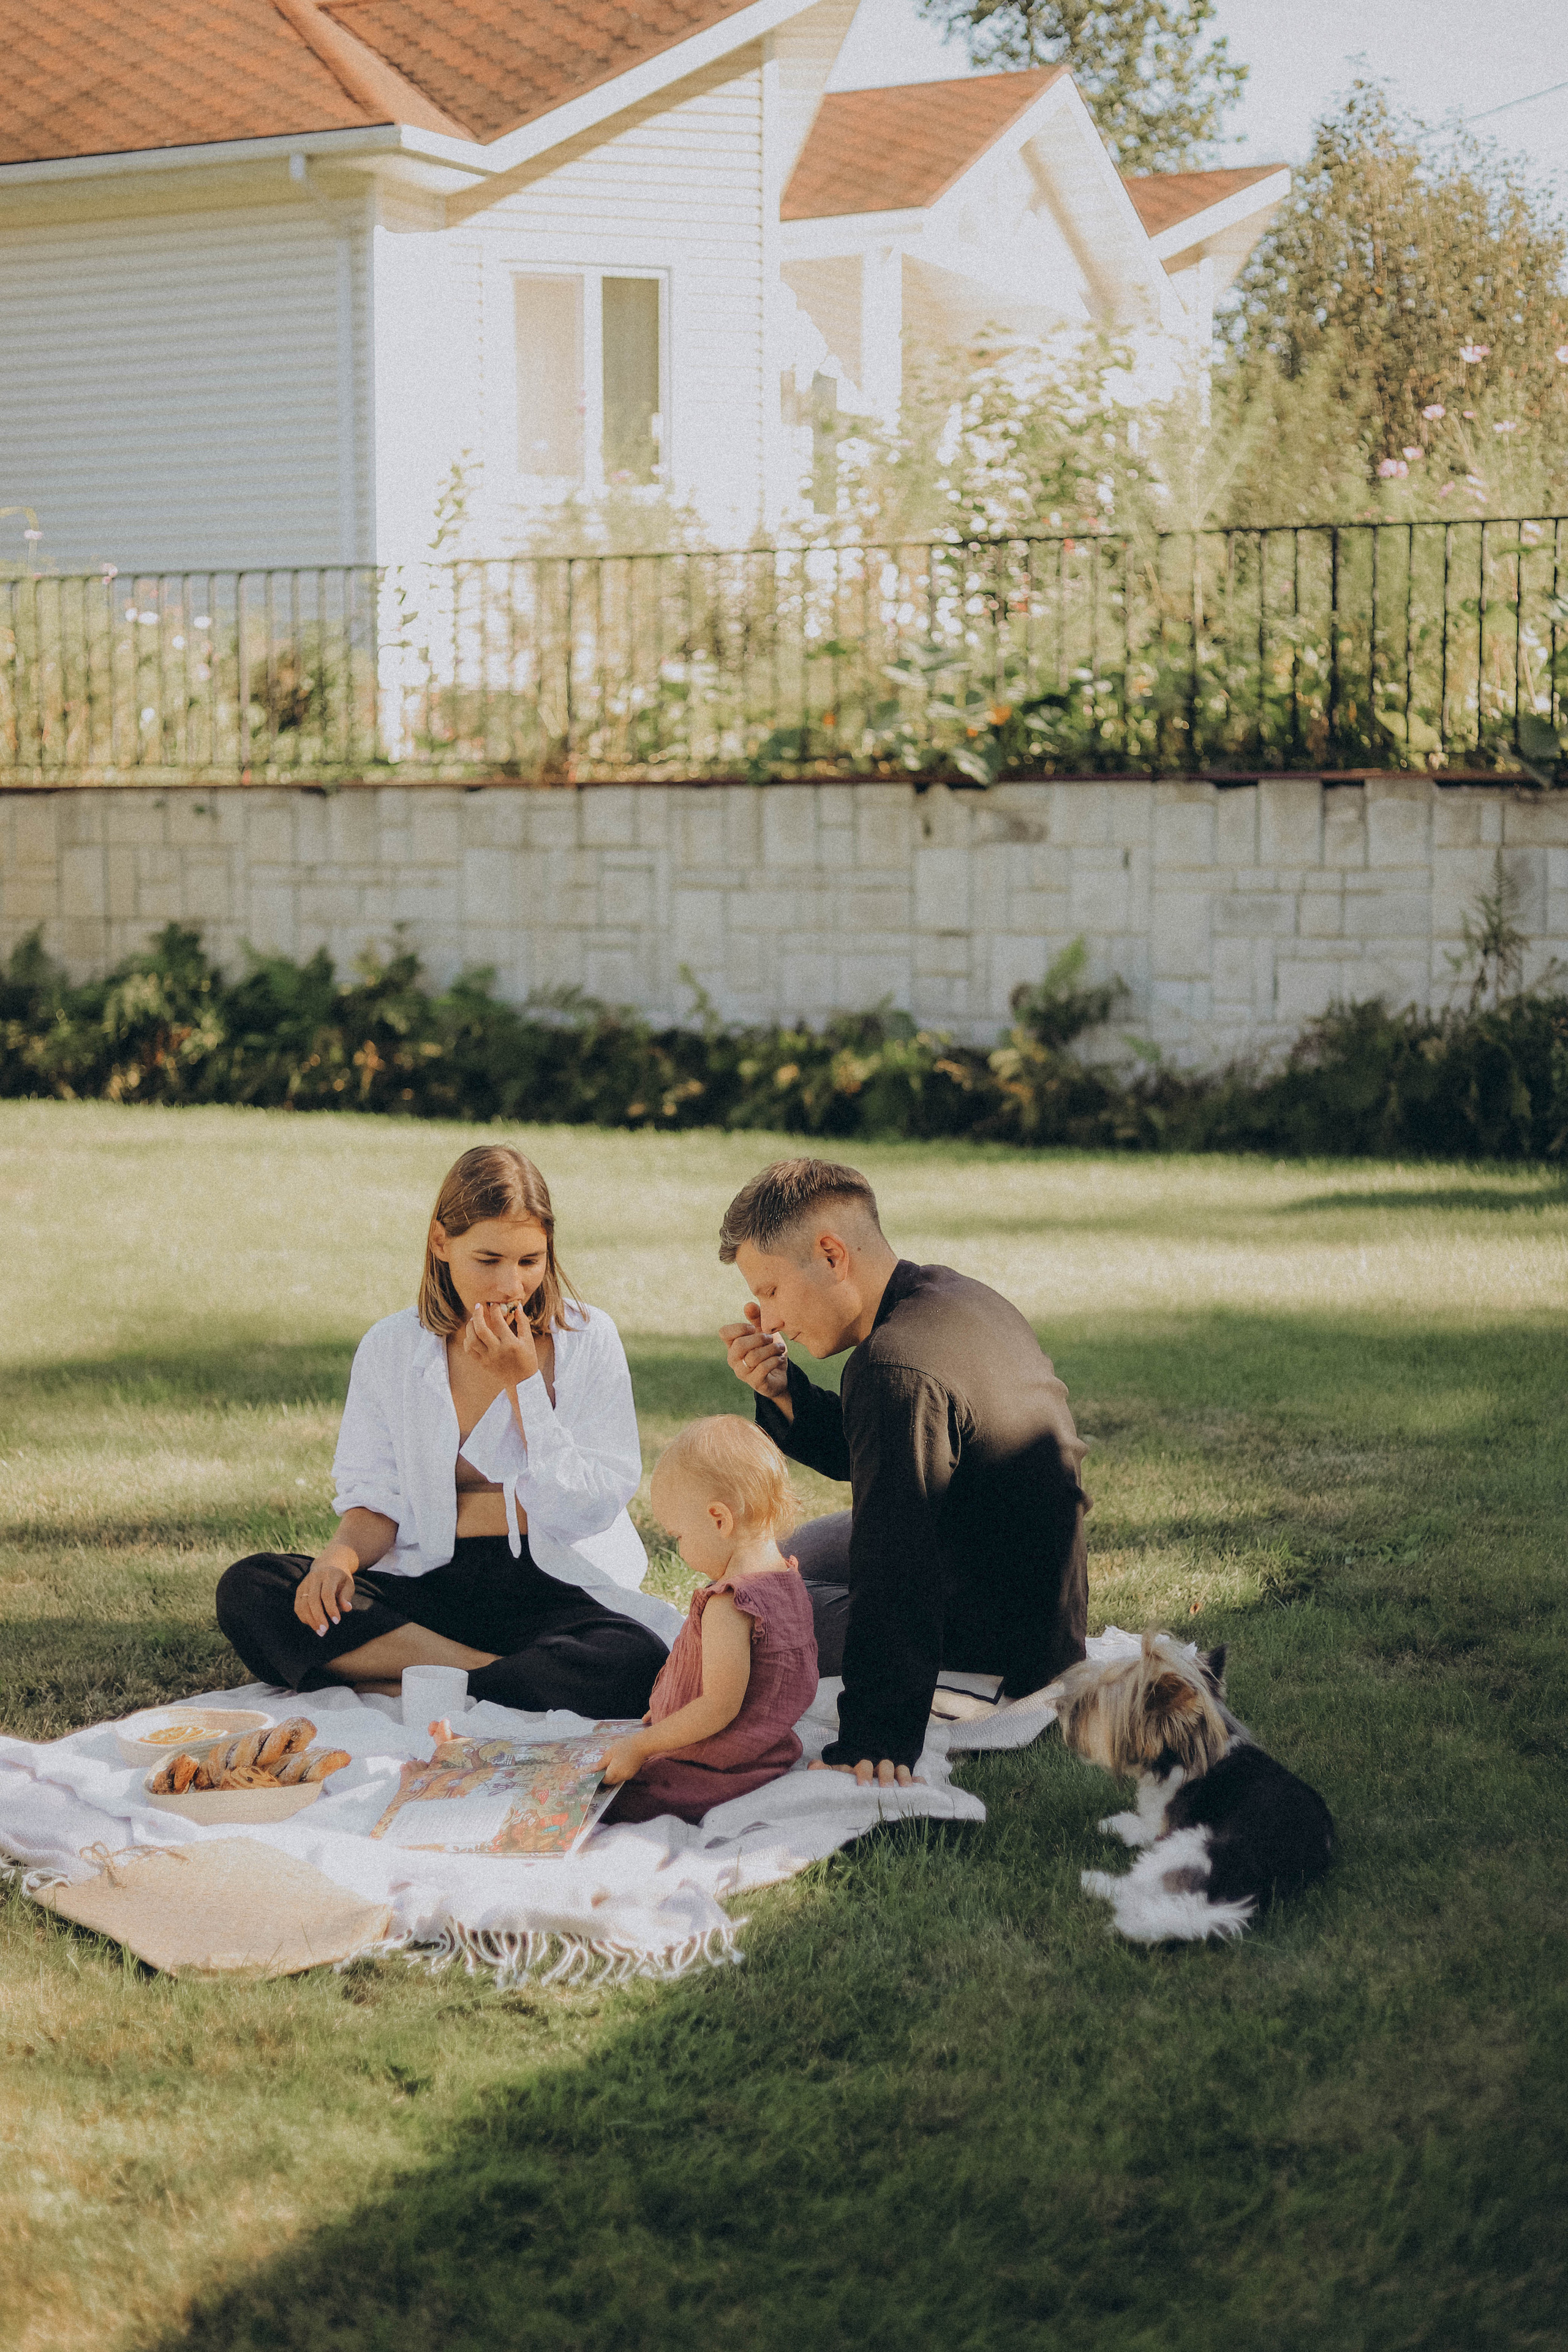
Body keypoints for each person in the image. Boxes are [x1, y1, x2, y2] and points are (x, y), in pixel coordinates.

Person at [217, 1145, 672, 1718]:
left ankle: (409, 1676)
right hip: (429, 1580)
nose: (511, 1285)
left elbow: (588, 1505)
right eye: (488, 1260)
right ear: (441, 1243)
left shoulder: (587, 1339)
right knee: (253, 1589)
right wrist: (337, 1559)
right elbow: (376, 1502)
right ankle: (484, 1674)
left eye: (530, 1261)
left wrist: (524, 1386)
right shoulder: (390, 1347)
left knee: (634, 1661)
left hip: (552, 1582)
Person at [719, 1156, 1087, 1787]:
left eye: (770, 1291)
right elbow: (884, 1456)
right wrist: (785, 1394)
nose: (770, 1319)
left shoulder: (894, 1365)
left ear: (832, 1255)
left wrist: (877, 1733)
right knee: (789, 1555)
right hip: (1027, 1588)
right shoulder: (944, 1298)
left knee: (750, 1614)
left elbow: (897, 1561)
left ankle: (942, 1685)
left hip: (998, 1638)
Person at [601, 1416, 818, 1824]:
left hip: (719, 1768)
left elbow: (719, 1707)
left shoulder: (730, 1604)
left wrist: (644, 1746)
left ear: (719, 1520)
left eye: (679, 1535)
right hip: (769, 1750)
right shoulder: (788, 1581)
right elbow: (760, 1682)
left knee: (607, 1795)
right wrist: (668, 1711)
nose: (679, 1548)